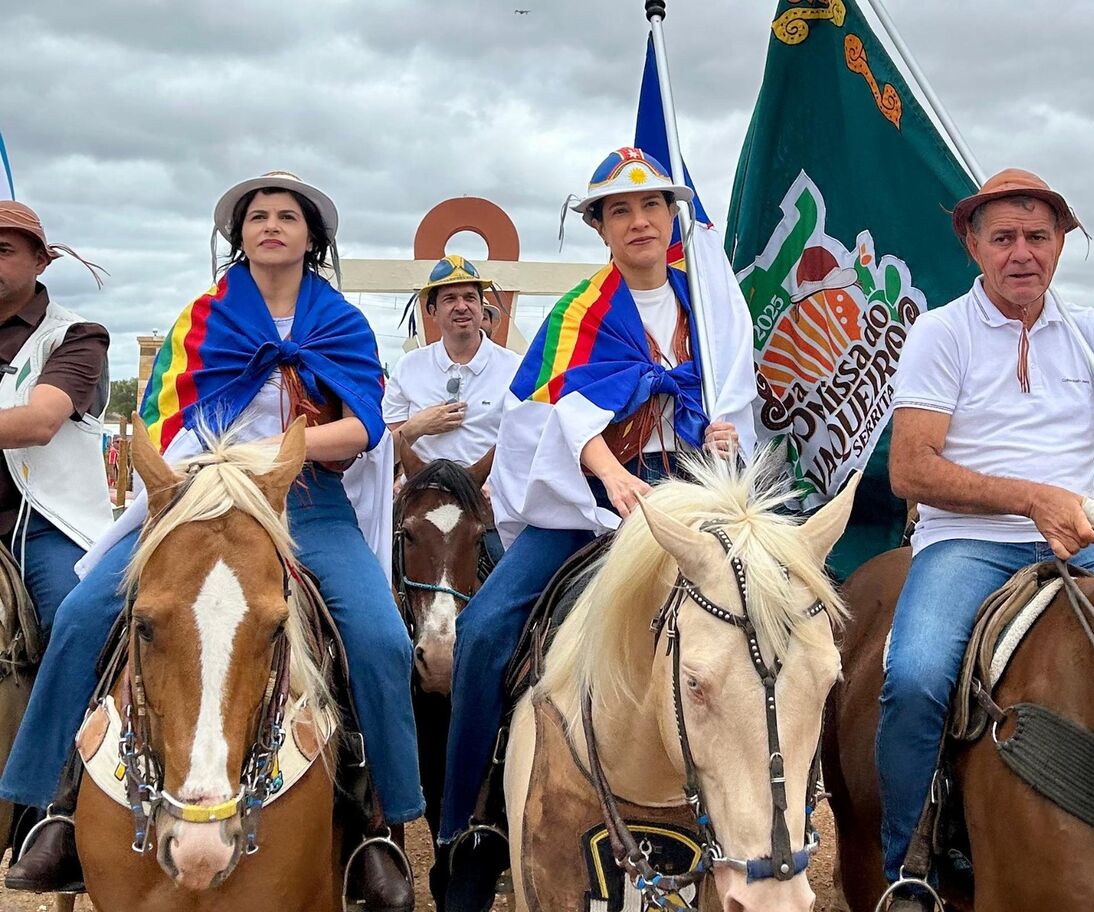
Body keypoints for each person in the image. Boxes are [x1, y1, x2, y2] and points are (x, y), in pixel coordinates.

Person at [2, 172, 420, 911]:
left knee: (382, 639)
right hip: (198, 499)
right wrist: (223, 465)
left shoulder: (345, 323)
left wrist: (273, 458)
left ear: (310, 239)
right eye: (257, 217)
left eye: (287, 217)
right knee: (81, 614)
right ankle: (51, 805)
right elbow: (163, 422)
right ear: (240, 237)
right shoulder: (202, 318)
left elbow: (363, 427)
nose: (271, 226)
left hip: (307, 503)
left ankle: (380, 823)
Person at [440, 147, 758, 910]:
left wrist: (723, 441)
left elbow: (739, 399)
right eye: (620, 210)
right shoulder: (580, 311)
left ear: (671, 218)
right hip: (586, 501)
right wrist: (610, 475)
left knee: (775, 623)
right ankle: (470, 823)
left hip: (691, 493)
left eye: (651, 207)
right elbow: (546, 410)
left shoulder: (714, 308)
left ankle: (764, 812)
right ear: (602, 228)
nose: (639, 221)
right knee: (484, 632)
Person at [880, 169, 1094, 910]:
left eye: (1038, 236)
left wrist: (1070, 507)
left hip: (1080, 536)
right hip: (969, 544)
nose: (1021, 253)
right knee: (913, 679)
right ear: (973, 246)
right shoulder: (942, 333)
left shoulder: (1091, 331)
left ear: (1061, 246)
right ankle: (908, 865)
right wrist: (1032, 499)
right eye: (1002, 237)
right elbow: (910, 468)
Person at [0, 201, 111, 639]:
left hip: (43, 526)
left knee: (77, 620)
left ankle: (72, 711)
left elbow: (40, 422)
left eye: (4, 250)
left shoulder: (77, 336)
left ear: (41, 261)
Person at [383, 256, 520, 561]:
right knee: (379, 571)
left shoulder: (514, 369)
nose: (462, 306)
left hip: (485, 506)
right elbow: (384, 455)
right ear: (431, 310)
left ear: (481, 305)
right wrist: (419, 426)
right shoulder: (409, 367)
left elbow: (526, 445)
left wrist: (496, 489)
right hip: (419, 507)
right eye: (449, 299)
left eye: (470, 297)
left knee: (512, 581)